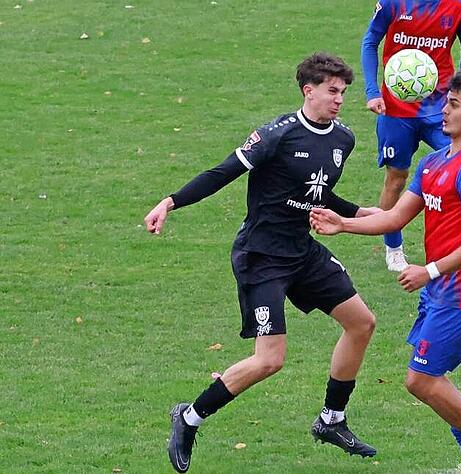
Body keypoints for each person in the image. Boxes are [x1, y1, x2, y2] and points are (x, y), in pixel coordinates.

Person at [144, 53, 380, 473]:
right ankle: (189, 416)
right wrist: (171, 201)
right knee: (269, 359)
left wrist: (362, 215)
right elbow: (223, 172)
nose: (340, 99)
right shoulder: (277, 135)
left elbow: (319, 194)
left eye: (343, 92)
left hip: (302, 251)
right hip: (262, 257)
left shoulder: (343, 139)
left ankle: (332, 420)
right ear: (308, 91)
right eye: (332, 91)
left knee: (362, 322)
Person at [311, 70, 461, 474]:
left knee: (421, 380)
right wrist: (344, 223)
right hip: (441, 291)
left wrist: (430, 270)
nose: (444, 109)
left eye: (454, 104)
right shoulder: (434, 161)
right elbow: (394, 218)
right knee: (430, 377)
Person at [361, 0, 461, 272]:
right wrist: (372, 91)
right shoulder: (394, 3)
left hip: (442, 108)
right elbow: (370, 42)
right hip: (395, 109)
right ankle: (394, 249)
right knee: (396, 178)